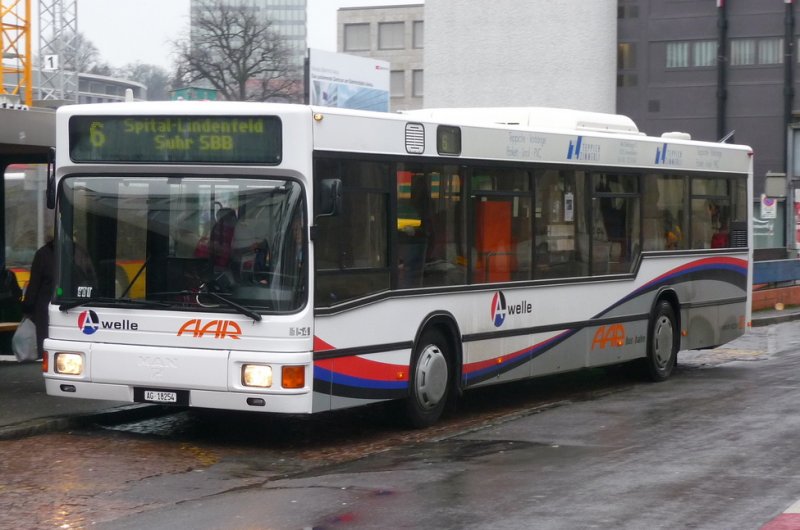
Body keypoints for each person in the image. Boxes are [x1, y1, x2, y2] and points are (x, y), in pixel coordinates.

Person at [21, 238, 54, 360]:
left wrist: (27, 307)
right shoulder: (76, 252)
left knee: (44, 341)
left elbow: (34, 283)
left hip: (43, 308)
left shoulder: (42, 255)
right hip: (68, 305)